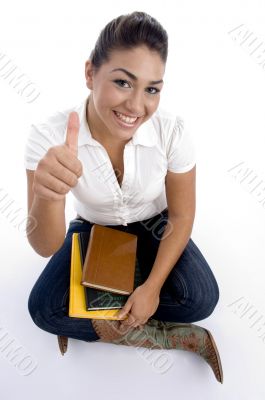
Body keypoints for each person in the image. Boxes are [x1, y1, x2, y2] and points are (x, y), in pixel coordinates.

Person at [24, 11, 223, 383]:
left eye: (151, 89)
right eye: (122, 82)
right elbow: (44, 245)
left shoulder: (173, 132)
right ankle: (171, 337)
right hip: (94, 229)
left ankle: (96, 312)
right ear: (90, 74)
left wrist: (149, 289)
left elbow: (180, 217)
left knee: (202, 298)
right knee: (42, 311)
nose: (135, 106)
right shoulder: (47, 136)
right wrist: (48, 197)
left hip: (155, 224)